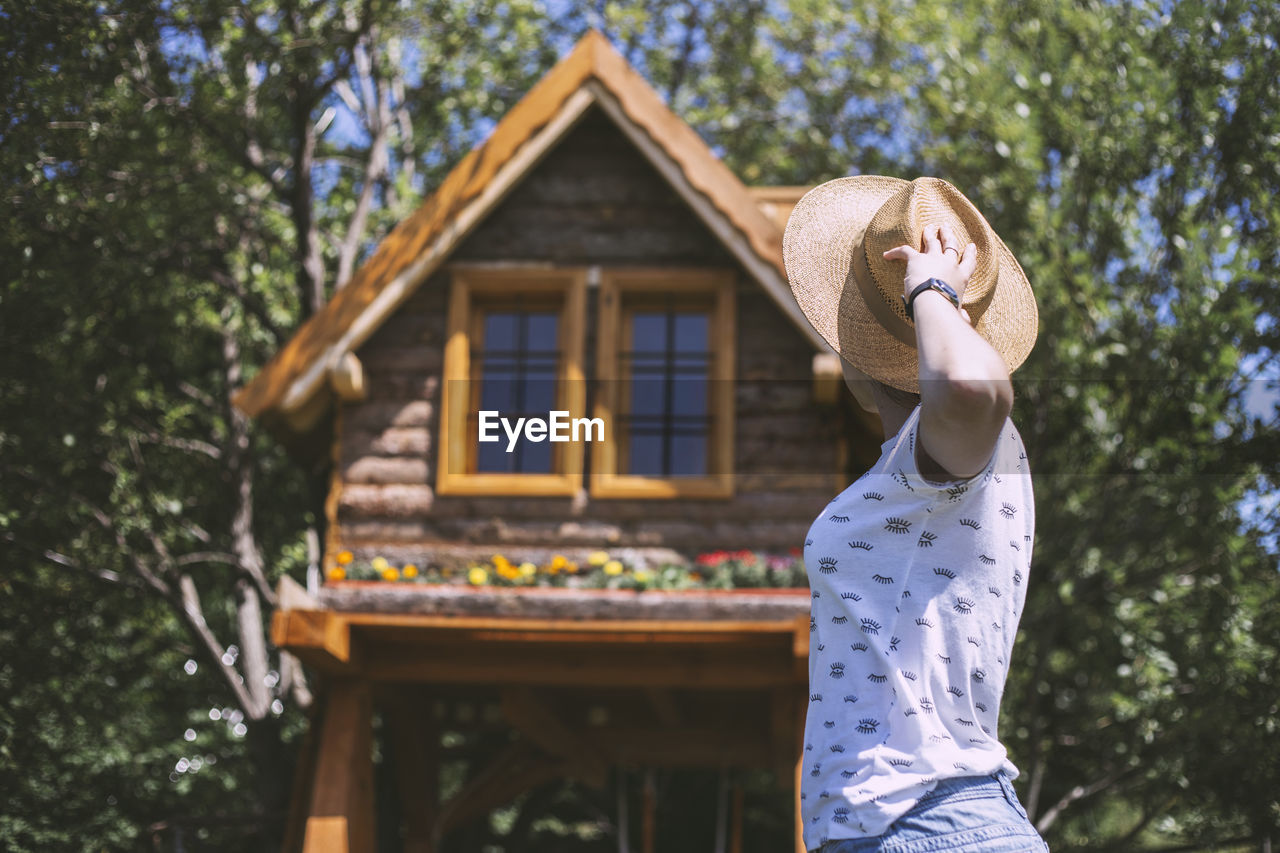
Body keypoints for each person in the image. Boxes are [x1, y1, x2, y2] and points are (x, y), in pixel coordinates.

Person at [783, 176, 1049, 852]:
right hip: (919, 824)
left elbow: (970, 389)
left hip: (922, 823)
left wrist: (931, 291)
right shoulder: (926, 463)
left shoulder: (950, 454)